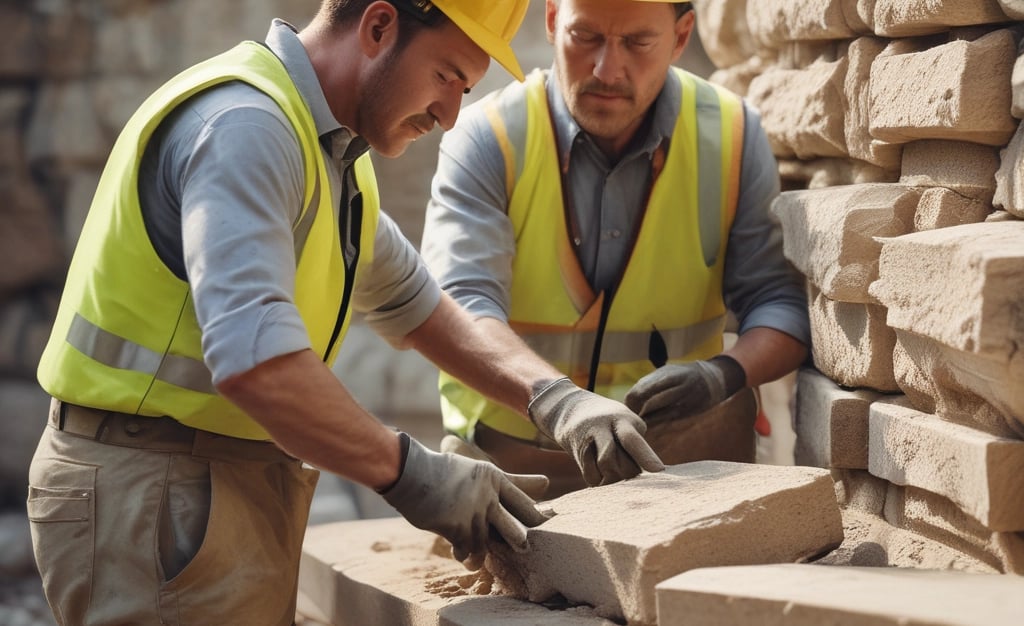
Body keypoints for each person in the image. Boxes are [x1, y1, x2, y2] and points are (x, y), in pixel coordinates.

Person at [27, 1, 667, 624]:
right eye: (447, 76)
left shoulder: (329, 156)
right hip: (153, 492)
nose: (449, 115)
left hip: (208, 481)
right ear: (379, 25)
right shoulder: (246, 128)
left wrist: (557, 400)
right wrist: (414, 473)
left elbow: (423, 310)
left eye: (467, 90)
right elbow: (257, 365)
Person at [422, 0, 810, 497]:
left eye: (637, 43)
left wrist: (724, 374)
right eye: (585, 37)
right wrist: (560, 403)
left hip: (673, 462)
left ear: (681, 36)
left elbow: (779, 304)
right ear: (550, 20)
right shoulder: (489, 138)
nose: (607, 69)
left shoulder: (731, 136)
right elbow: (458, 311)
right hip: (510, 462)